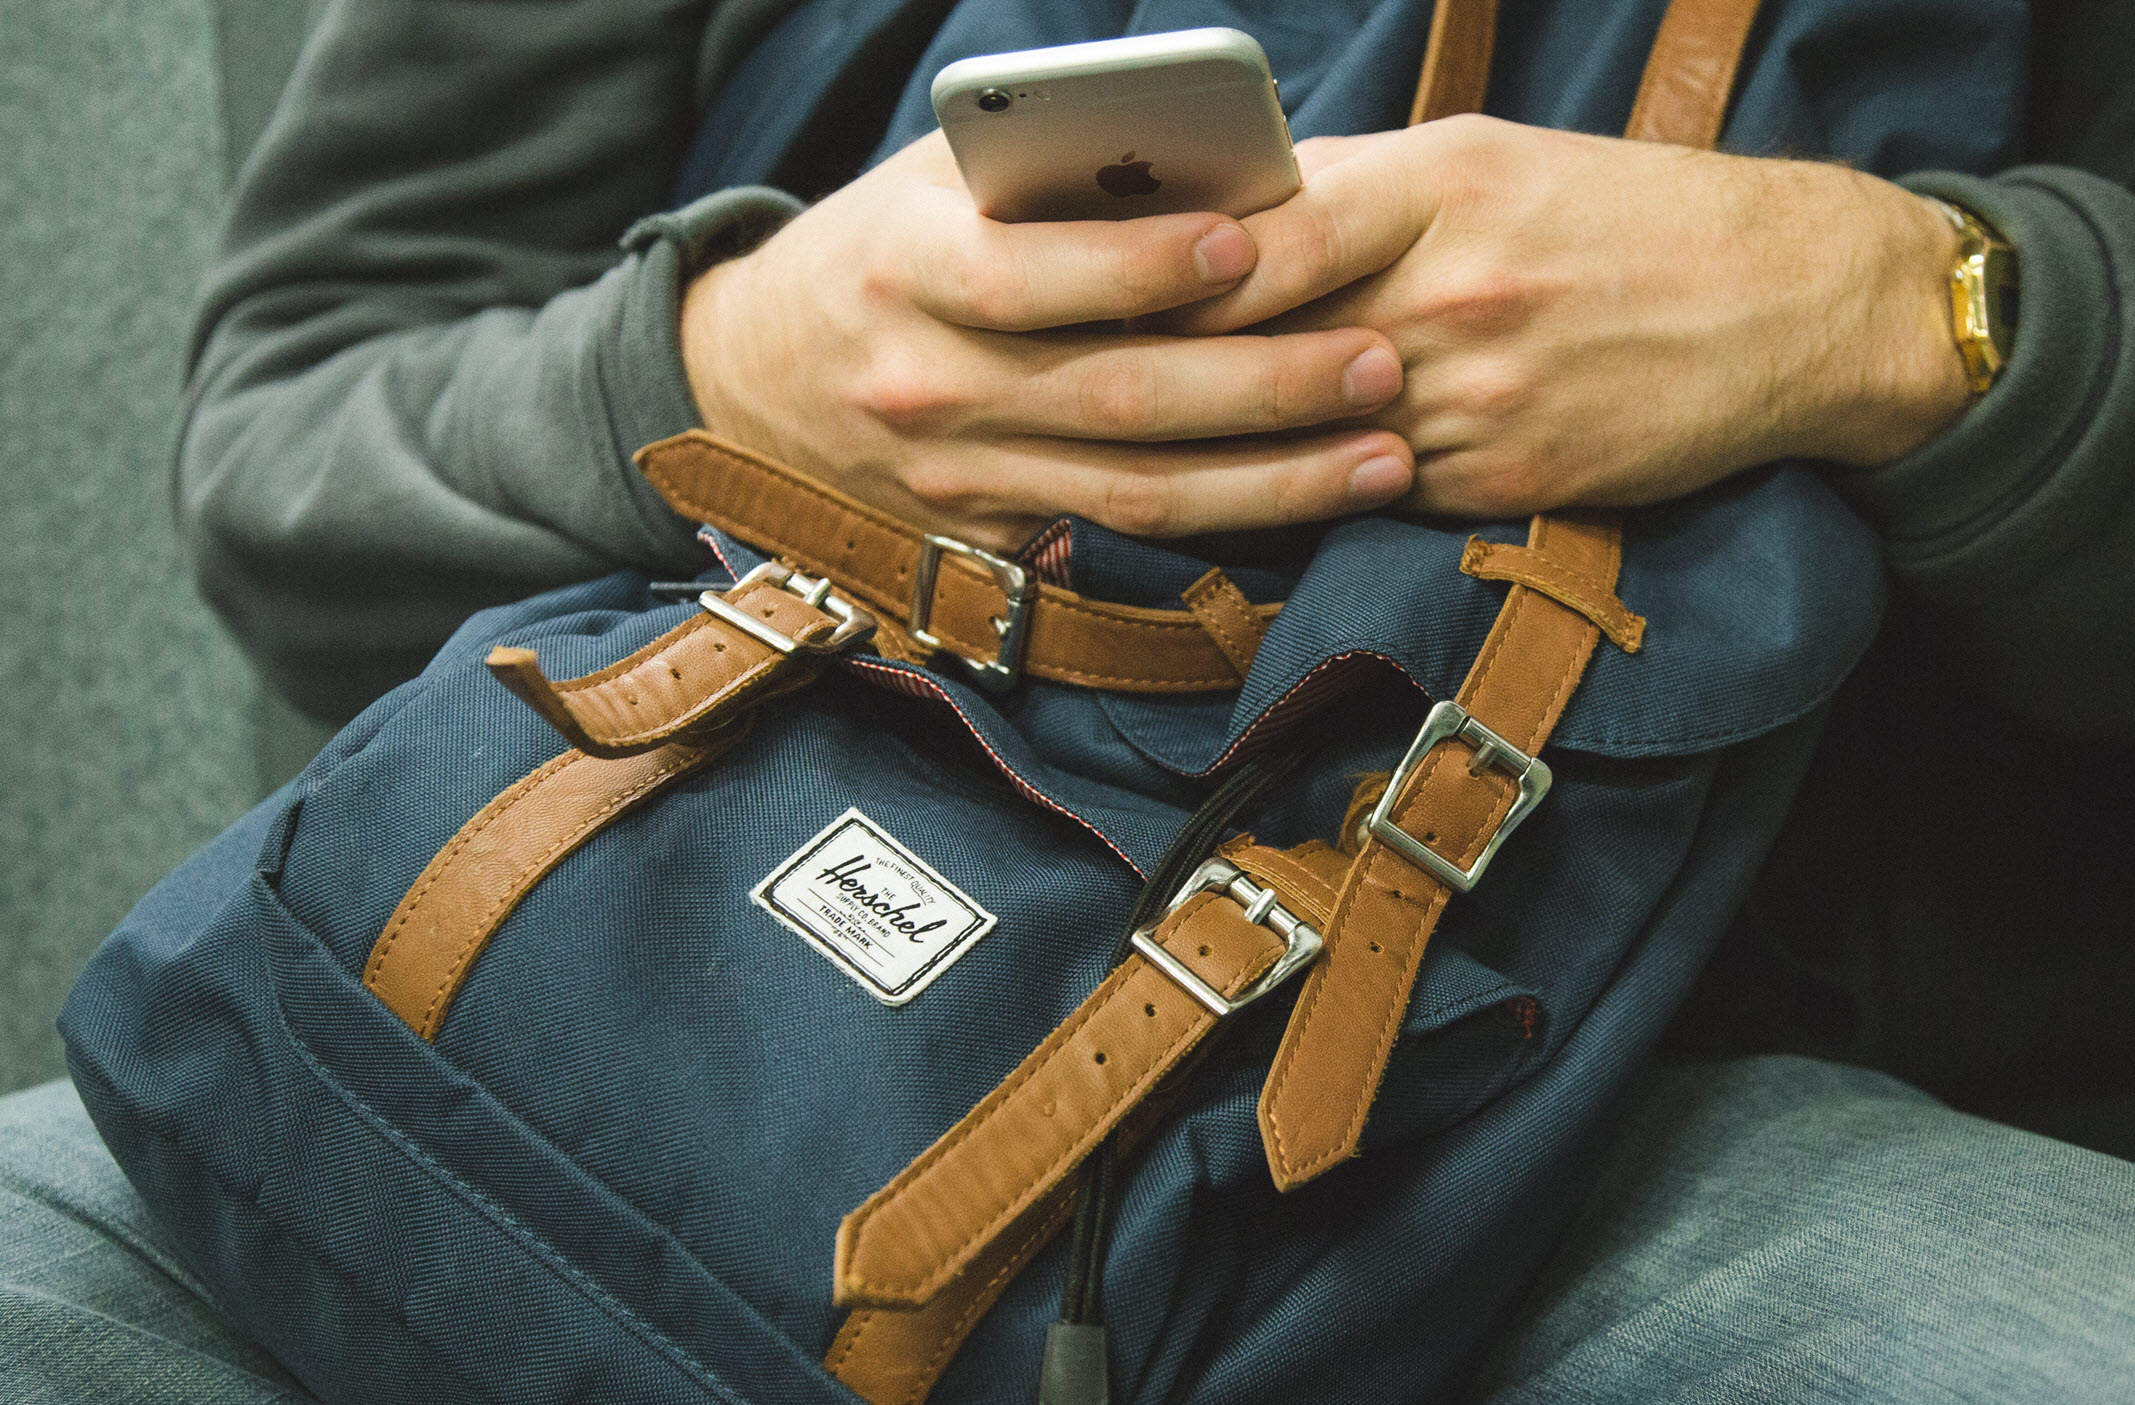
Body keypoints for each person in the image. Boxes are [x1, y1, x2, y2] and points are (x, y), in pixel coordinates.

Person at [7, 0, 2135, 1400]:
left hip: (1674, 1097)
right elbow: (289, 429)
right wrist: (729, 366)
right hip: (677, 879)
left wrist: (1926, 315)